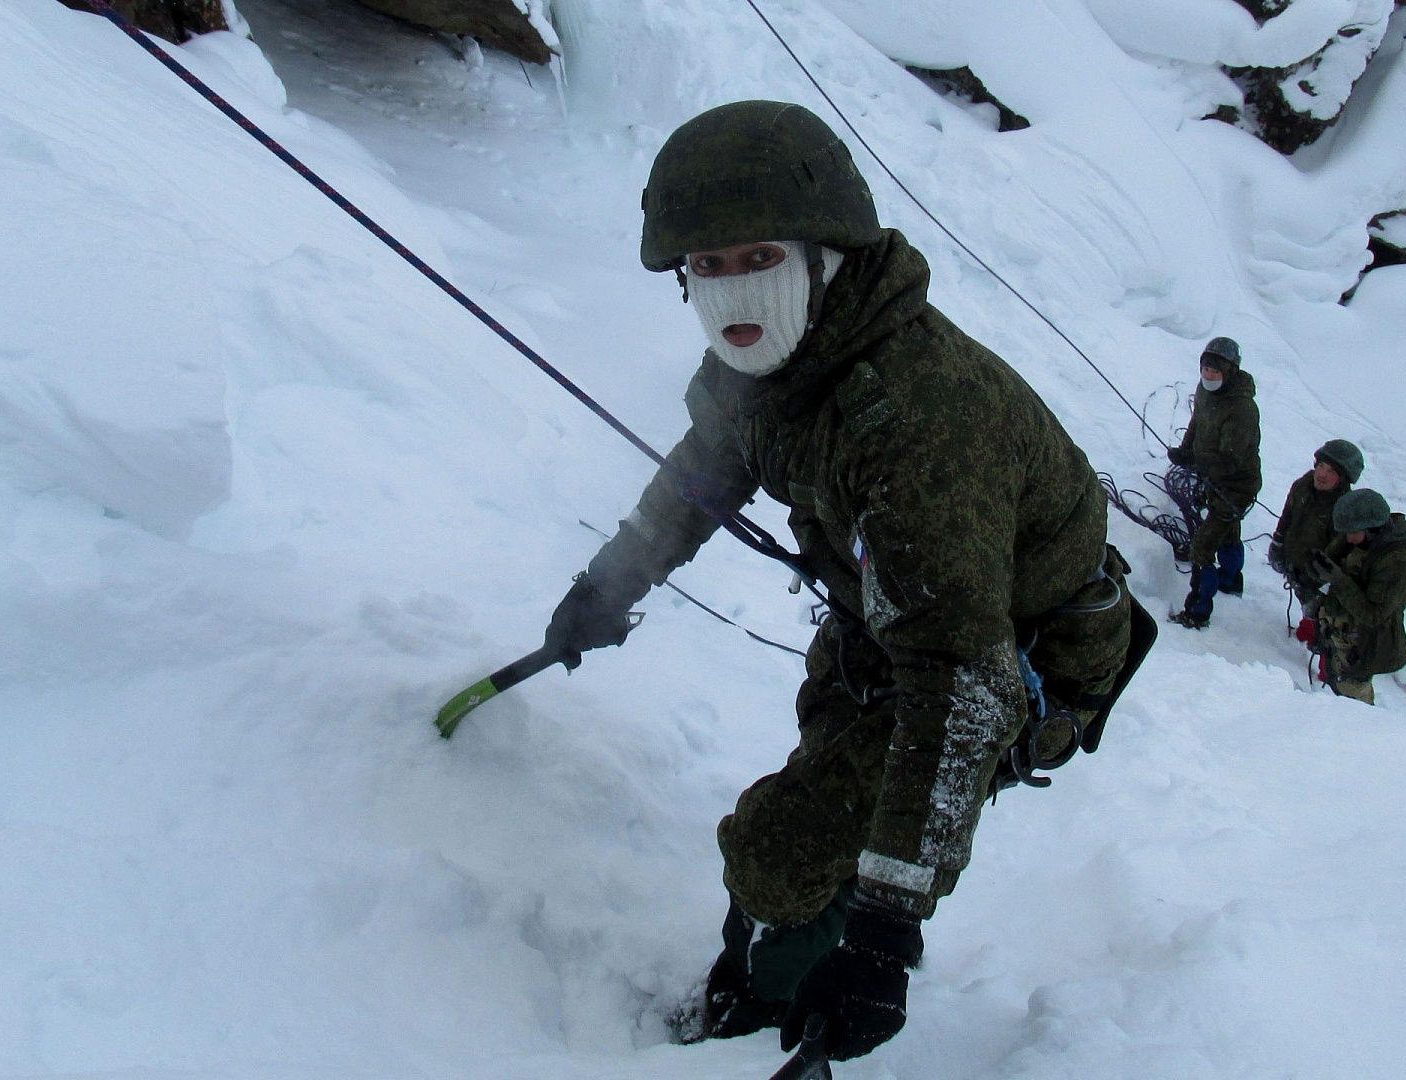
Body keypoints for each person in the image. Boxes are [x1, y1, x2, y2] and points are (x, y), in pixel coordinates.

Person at [540, 100, 1139, 1063]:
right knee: (825, 804)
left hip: (1005, 658)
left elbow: (962, 687)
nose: (734, 295)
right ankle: (788, 956)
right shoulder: (781, 361)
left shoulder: (914, 420)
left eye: (759, 259)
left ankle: (775, 995)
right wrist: (611, 583)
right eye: (708, 266)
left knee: (778, 852)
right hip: (889, 620)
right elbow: (708, 468)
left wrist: (886, 943)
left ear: (825, 254)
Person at [1166, 336, 1261, 629]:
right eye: (1205, 369)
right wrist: (1185, 450)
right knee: (1229, 532)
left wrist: (1196, 461)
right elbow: (1197, 423)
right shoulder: (1206, 392)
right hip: (1213, 477)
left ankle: (1197, 610)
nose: (1208, 376)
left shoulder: (1242, 409)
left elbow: (1231, 460)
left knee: (1202, 548)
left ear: (1229, 371)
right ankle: (1231, 580)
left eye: (1214, 372)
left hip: (1237, 485)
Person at [1306, 488, 1406, 704]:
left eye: (1353, 533)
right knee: (1335, 688)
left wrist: (1338, 580)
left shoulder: (1399, 562)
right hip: (1338, 632)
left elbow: (1374, 615)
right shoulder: (1357, 537)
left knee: (1353, 699)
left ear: (1373, 529)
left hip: (1363, 643)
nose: (1348, 538)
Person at [1268, 439, 1364, 645]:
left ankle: (1326, 661)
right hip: (1296, 559)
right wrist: (1278, 542)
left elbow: (1338, 551)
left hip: (1319, 574)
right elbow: (1288, 515)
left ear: (1343, 479)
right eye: (1321, 466)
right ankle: (1307, 630)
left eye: (1331, 472)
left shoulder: (1344, 509)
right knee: (1307, 606)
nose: (1322, 475)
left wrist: (1316, 581)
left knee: (1322, 617)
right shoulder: (1303, 486)